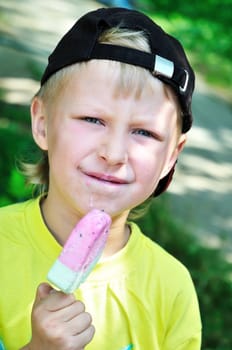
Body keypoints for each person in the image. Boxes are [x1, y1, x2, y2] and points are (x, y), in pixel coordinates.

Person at [0, 7, 202, 350]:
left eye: (144, 132)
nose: (114, 153)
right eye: (93, 120)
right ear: (43, 123)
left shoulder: (172, 289)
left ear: (171, 156)